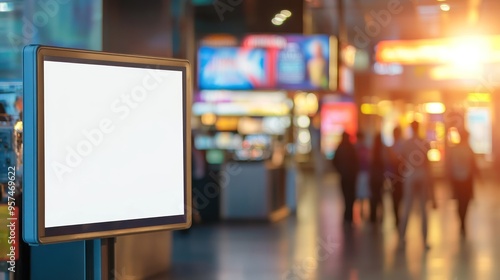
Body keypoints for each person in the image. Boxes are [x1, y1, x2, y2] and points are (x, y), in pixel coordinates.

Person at [398, 121, 432, 249]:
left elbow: (400, 158)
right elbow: (428, 163)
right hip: (422, 174)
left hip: (410, 175)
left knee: (407, 206)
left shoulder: (406, 143)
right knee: (423, 209)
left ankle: (402, 238)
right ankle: (424, 240)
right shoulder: (424, 143)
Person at [447, 129, 479, 236]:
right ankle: (462, 222)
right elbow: (474, 166)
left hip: (457, 179)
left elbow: (449, 166)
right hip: (466, 179)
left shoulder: (455, 149)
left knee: (460, 202)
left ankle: (462, 221)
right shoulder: (468, 149)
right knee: (464, 201)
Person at [333, 132, 359, 224]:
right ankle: (349, 215)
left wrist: (340, 170)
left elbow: (334, 161)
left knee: (346, 196)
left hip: (345, 176)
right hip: (350, 176)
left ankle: (347, 216)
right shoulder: (350, 148)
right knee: (350, 196)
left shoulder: (340, 148)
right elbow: (356, 161)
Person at [386, 126, 404, 227]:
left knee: (396, 197)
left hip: (396, 174)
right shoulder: (395, 146)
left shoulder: (393, 147)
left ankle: (398, 216)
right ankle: (397, 216)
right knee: (397, 196)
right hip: (396, 174)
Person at [369, 132, 386, 223]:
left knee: (373, 196)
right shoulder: (383, 150)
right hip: (380, 177)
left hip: (373, 177)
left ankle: (373, 216)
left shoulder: (372, 150)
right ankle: (381, 215)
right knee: (380, 196)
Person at [355, 132, 371, 220]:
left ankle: (362, 209)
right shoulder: (364, 148)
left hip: (361, 172)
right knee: (363, 191)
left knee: (361, 191)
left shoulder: (356, 148)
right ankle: (362, 209)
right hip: (363, 172)